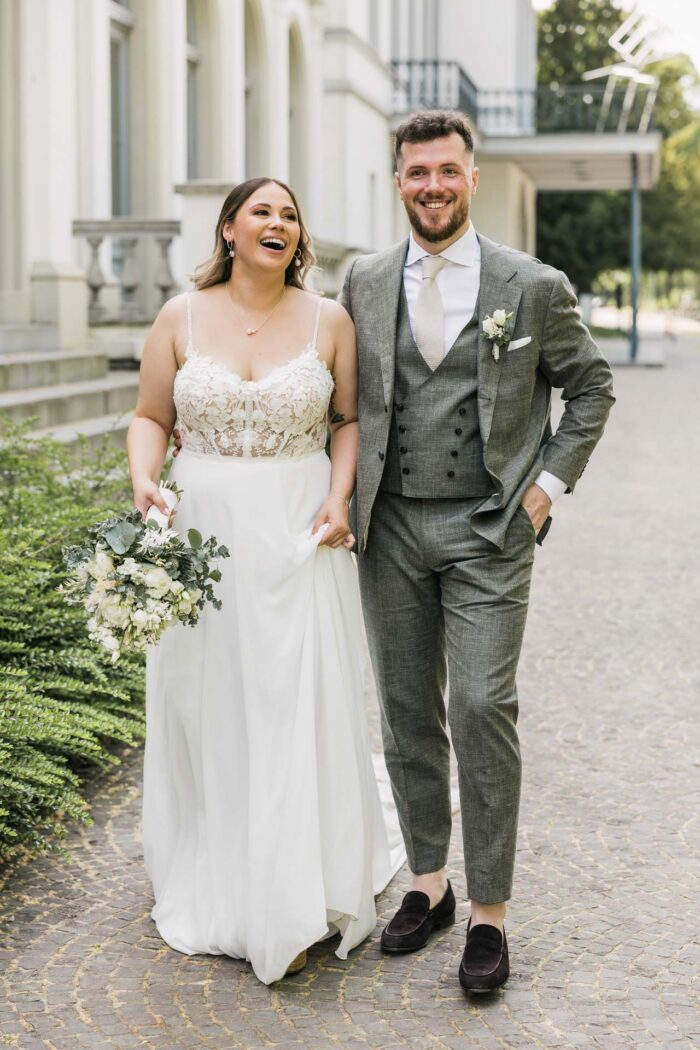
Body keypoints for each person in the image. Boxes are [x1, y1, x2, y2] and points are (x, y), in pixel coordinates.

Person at [339, 110, 615, 992]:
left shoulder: (531, 285)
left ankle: (490, 914)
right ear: (398, 181)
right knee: (406, 711)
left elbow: (592, 386)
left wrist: (548, 487)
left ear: (472, 176)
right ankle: (430, 883)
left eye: (447, 172)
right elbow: (343, 404)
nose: (432, 186)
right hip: (389, 532)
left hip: (492, 528)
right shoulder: (365, 280)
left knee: (482, 707)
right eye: (417, 173)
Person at [127, 177, 404, 985]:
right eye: (263, 212)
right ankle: (220, 864)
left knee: (293, 698)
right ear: (229, 229)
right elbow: (149, 414)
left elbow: (347, 421)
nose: (279, 223)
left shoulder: (330, 321)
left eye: (290, 215)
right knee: (209, 697)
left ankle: (300, 876)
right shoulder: (180, 316)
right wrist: (146, 479)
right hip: (204, 531)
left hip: (296, 529)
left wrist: (337, 497)